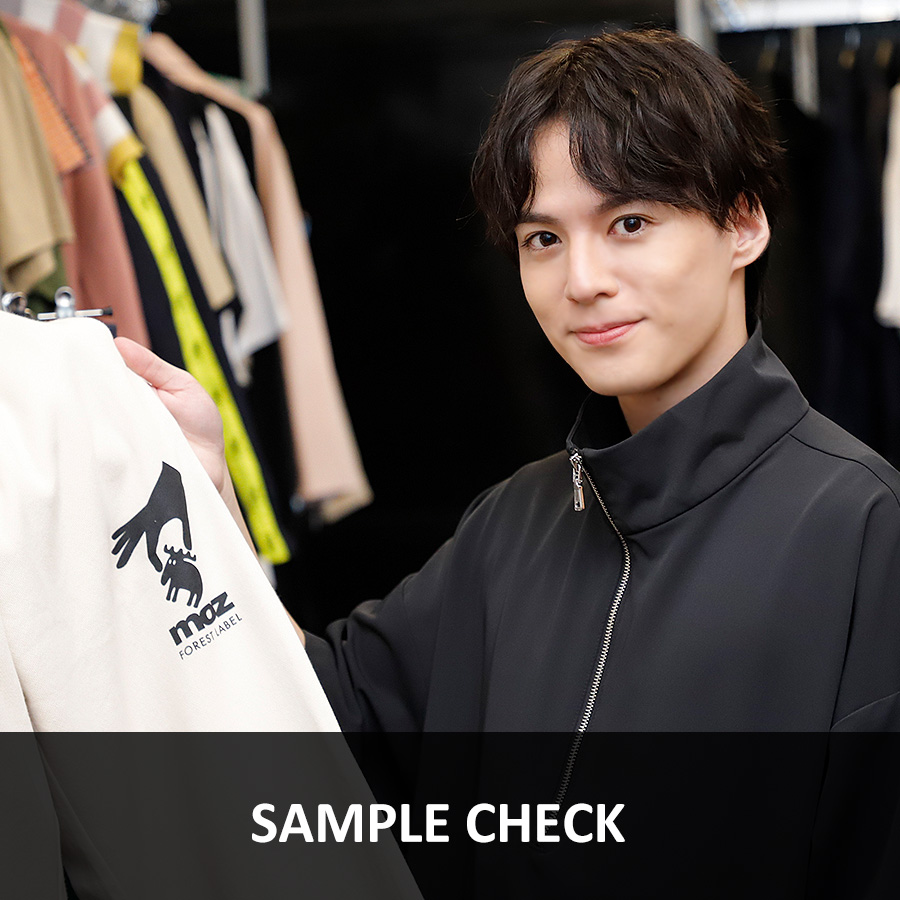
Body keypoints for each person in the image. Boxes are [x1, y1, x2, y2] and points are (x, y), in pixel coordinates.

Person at [117, 27, 900, 895]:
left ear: (743, 223)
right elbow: (328, 713)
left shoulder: (863, 531)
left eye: (630, 223)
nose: (582, 280)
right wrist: (206, 488)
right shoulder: (515, 522)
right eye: (543, 240)